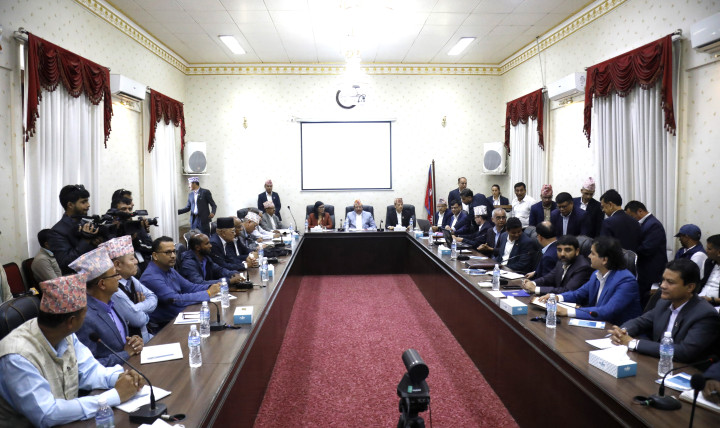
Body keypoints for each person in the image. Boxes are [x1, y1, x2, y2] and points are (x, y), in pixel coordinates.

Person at [0, 275, 144, 427]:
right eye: (85, 312)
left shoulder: (65, 334)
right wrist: (116, 395)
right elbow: (47, 415)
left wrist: (119, 377)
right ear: (71, 321)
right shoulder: (16, 356)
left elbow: (89, 371)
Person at [609, 259, 720, 363]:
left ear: (690, 287)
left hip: (685, 371)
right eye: (663, 280)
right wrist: (622, 333)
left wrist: (633, 343)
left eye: (670, 282)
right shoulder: (664, 303)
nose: (662, 285)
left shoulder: (705, 315)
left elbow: (684, 352)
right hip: (658, 362)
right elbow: (639, 322)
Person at [537, 236, 642, 326]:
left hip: (619, 331)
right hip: (598, 326)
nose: (589, 256)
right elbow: (578, 294)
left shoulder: (626, 281)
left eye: (592, 253)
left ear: (604, 260)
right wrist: (556, 297)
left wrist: (568, 311)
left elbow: (607, 311)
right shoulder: (596, 274)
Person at [70, 247, 144, 367]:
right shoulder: (85, 318)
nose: (119, 278)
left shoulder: (112, 300)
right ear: (102, 284)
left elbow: (120, 343)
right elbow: (89, 366)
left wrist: (133, 342)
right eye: (115, 275)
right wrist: (126, 354)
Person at [139, 236, 221, 329]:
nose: (173, 256)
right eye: (168, 252)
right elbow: (176, 300)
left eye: (174, 251)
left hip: (180, 317)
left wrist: (212, 286)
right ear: (155, 256)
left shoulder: (169, 269)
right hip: (164, 326)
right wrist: (208, 293)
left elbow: (190, 287)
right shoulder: (151, 277)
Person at [101, 236, 157, 343]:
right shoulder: (114, 289)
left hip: (146, 337)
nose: (136, 261)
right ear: (117, 265)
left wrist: (135, 308)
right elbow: (138, 320)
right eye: (132, 259)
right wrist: (142, 311)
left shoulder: (131, 279)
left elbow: (153, 298)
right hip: (134, 346)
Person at [48, 184, 103, 274]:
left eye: (87, 201)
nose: (88, 205)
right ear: (70, 205)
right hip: (78, 279)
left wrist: (96, 244)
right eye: (83, 202)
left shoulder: (86, 223)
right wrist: (85, 240)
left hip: (96, 273)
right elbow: (66, 263)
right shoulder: (56, 231)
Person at [624, 201, 668, 305]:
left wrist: (631, 251)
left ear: (640, 211)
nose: (631, 219)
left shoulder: (653, 225)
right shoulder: (645, 223)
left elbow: (648, 248)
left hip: (651, 270)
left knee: (647, 301)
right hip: (644, 269)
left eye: (631, 216)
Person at [521, 235, 593, 296]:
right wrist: (532, 283)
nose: (562, 254)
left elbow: (567, 290)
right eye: (559, 250)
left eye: (567, 250)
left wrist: (536, 289)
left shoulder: (583, 267)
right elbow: (549, 278)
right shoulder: (561, 261)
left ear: (577, 251)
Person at [178, 233, 246, 286]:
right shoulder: (188, 263)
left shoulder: (205, 258)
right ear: (197, 247)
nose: (210, 246)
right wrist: (229, 281)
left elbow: (219, 270)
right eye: (207, 244)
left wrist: (233, 274)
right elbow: (199, 283)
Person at [697, 234, 720, 307]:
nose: (706, 251)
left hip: (715, 305)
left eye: (709, 249)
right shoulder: (708, 263)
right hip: (700, 299)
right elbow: (701, 283)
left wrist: (711, 299)